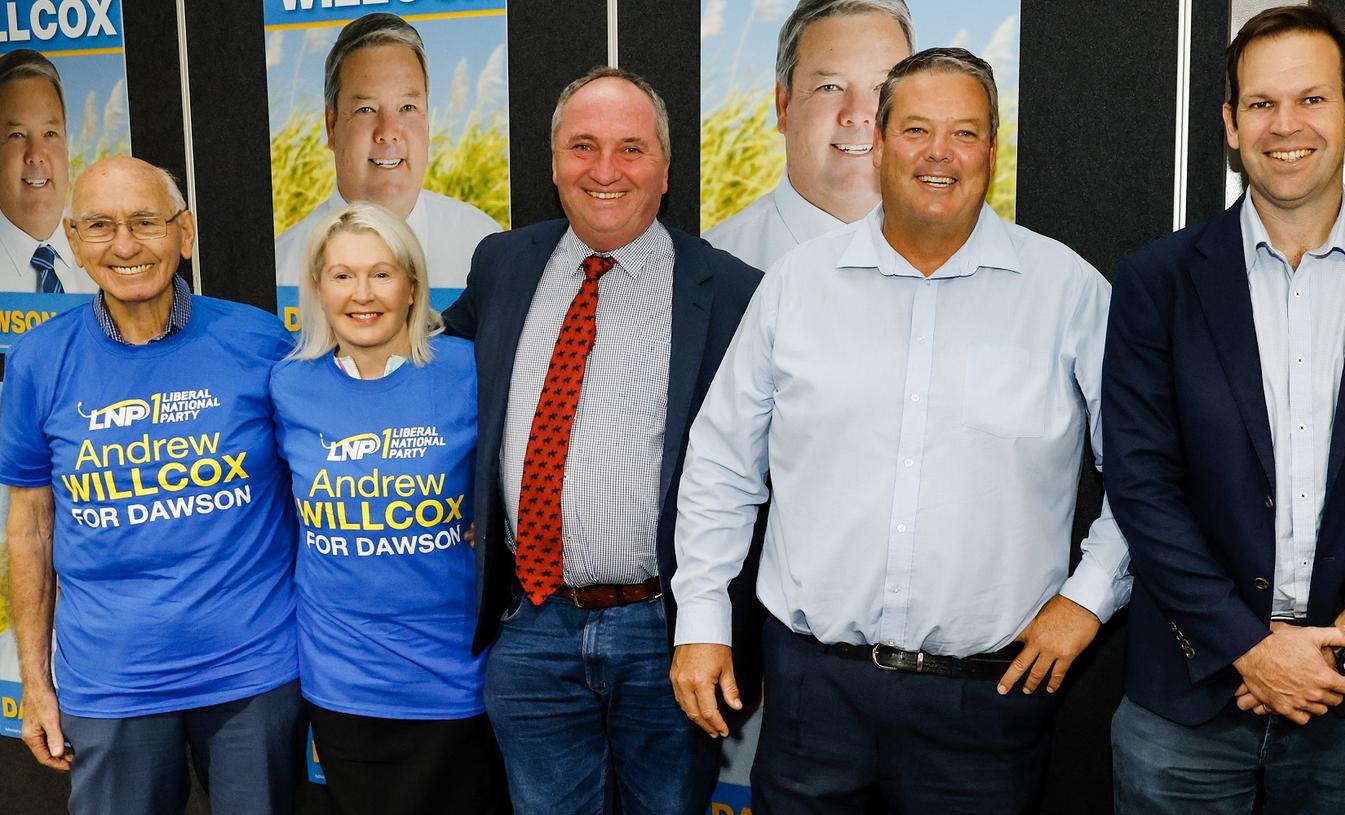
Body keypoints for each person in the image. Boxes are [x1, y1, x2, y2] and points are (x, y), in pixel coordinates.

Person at [671, 47, 1131, 813]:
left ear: (992, 146)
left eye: (964, 132)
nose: (939, 154)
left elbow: (1145, 472)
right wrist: (701, 620)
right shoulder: (796, 286)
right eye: (916, 129)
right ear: (878, 143)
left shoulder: (1067, 291)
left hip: (987, 702)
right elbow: (720, 465)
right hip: (811, 692)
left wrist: (1087, 598)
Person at [1100, 6, 1345, 812]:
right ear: (1230, 126)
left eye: (1311, 99)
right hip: (1186, 691)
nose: (1286, 125)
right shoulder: (1155, 282)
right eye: (1261, 104)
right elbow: (1141, 482)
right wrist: (1246, 647)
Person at [441, 66, 764, 815]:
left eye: (630, 148)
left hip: (667, 631)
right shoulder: (503, 263)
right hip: (529, 624)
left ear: (664, 167)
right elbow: (431, 366)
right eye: (582, 146)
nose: (605, 170)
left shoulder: (731, 290)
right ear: (553, 161)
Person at [0, 156, 302, 814]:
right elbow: (28, 527)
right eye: (101, 226)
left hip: (252, 672)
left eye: (145, 221)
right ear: (74, 244)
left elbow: (329, 473)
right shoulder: (37, 361)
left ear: (185, 234)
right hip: (110, 682)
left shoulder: (260, 341)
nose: (126, 245)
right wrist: (34, 680)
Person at [270, 201, 508, 815]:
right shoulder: (288, 385)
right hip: (345, 685)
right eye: (342, 275)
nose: (362, 293)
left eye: (381, 273)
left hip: (459, 678)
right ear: (318, 289)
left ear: (412, 286)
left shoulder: (469, 369)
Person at [273, 12, 502, 291]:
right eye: (366, 110)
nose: (388, 131)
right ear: (331, 126)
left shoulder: (483, 247)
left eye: (408, 108)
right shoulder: (282, 269)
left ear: (428, 122)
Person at [703, 0, 913, 269]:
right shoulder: (710, 271)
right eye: (830, 87)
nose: (858, 113)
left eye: (882, 87)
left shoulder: (973, 261)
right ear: (783, 106)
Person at [0, 49, 91, 293]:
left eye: (50, 134)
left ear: (67, 147)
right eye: (17, 135)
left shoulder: (108, 258)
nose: (36, 155)